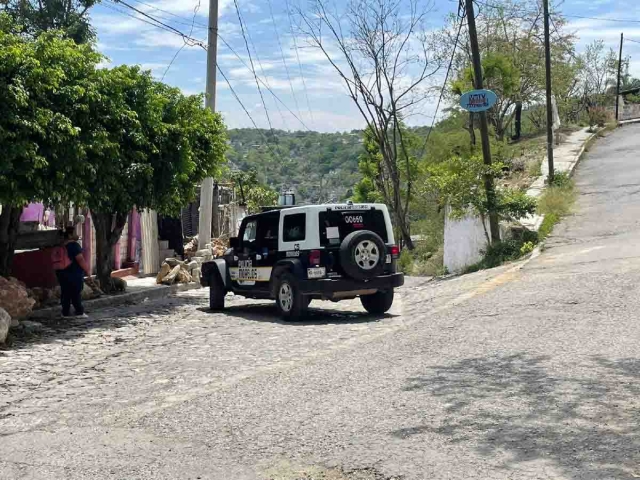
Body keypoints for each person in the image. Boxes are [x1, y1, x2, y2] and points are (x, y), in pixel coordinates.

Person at [53, 227, 91, 318]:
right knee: (75, 293)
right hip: (74, 274)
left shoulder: (61, 245)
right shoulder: (74, 245)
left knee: (65, 293)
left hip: (61, 273)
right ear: (70, 235)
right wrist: (87, 270)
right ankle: (79, 312)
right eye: (74, 233)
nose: (77, 234)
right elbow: (80, 259)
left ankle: (65, 312)